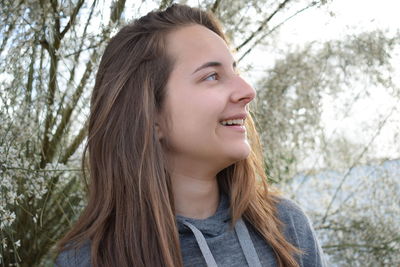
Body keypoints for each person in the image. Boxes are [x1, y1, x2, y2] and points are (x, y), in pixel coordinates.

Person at [56, 4, 326, 267]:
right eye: (212, 76)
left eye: (236, 71)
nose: (247, 90)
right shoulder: (87, 260)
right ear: (150, 116)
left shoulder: (286, 227)